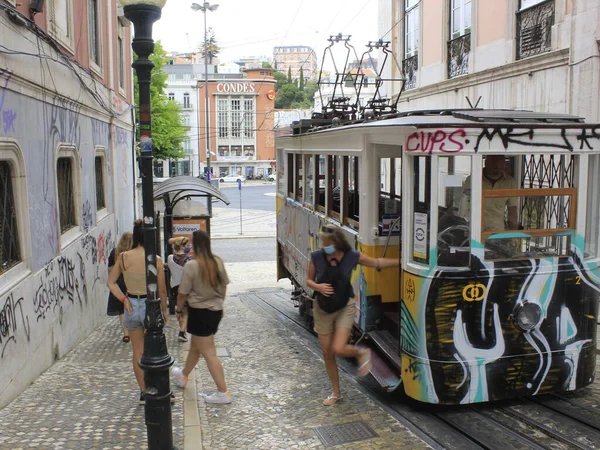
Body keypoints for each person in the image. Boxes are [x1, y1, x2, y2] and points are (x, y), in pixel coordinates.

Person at [306, 225, 400, 406]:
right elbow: (309, 280)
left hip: (344, 306)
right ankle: (336, 392)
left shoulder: (352, 257)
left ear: (337, 242)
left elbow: (378, 263)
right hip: (323, 308)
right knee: (327, 352)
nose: (324, 246)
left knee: (338, 349)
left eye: (328, 243)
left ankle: (361, 352)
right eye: (323, 243)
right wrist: (318, 287)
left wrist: (402, 261)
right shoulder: (316, 257)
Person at [107, 220, 169, 405]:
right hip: (151, 305)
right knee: (156, 350)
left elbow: (110, 282)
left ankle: (144, 391)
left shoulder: (124, 257)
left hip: (132, 304)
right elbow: (162, 289)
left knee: (138, 351)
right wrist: (164, 310)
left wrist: (124, 299)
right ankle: (158, 388)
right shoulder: (155, 259)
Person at [171, 230, 232, 404]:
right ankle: (183, 376)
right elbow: (225, 286)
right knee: (196, 347)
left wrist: (179, 309)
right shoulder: (217, 261)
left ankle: (223, 393)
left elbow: (182, 293)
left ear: (195, 246)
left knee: (209, 353)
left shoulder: (192, 265)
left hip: (199, 312)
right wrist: (218, 301)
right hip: (215, 311)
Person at [461, 155, 518, 231]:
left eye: (501, 168)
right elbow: (464, 206)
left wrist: (513, 233)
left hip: (497, 232)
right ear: (486, 163)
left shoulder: (509, 182)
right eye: (494, 168)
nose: (497, 171)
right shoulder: (473, 179)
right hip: (475, 232)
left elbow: (512, 209)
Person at [107, 232, 134, 343]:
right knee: (132, 305)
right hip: (130, 280)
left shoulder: (115, 252)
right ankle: (134, 330)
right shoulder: (132, 253)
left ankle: (126, 334)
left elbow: (110, 270)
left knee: (121, 309)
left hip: (118, 283)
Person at [167, 236, 193, 343]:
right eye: (187, 245)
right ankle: (182, 332)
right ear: (182, 246)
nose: (189, 247)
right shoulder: (188, 260)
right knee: (186, 311)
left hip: (174, 286)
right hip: (185, 287)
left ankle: (182, 331)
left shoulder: (170, 258)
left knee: (179, 310)